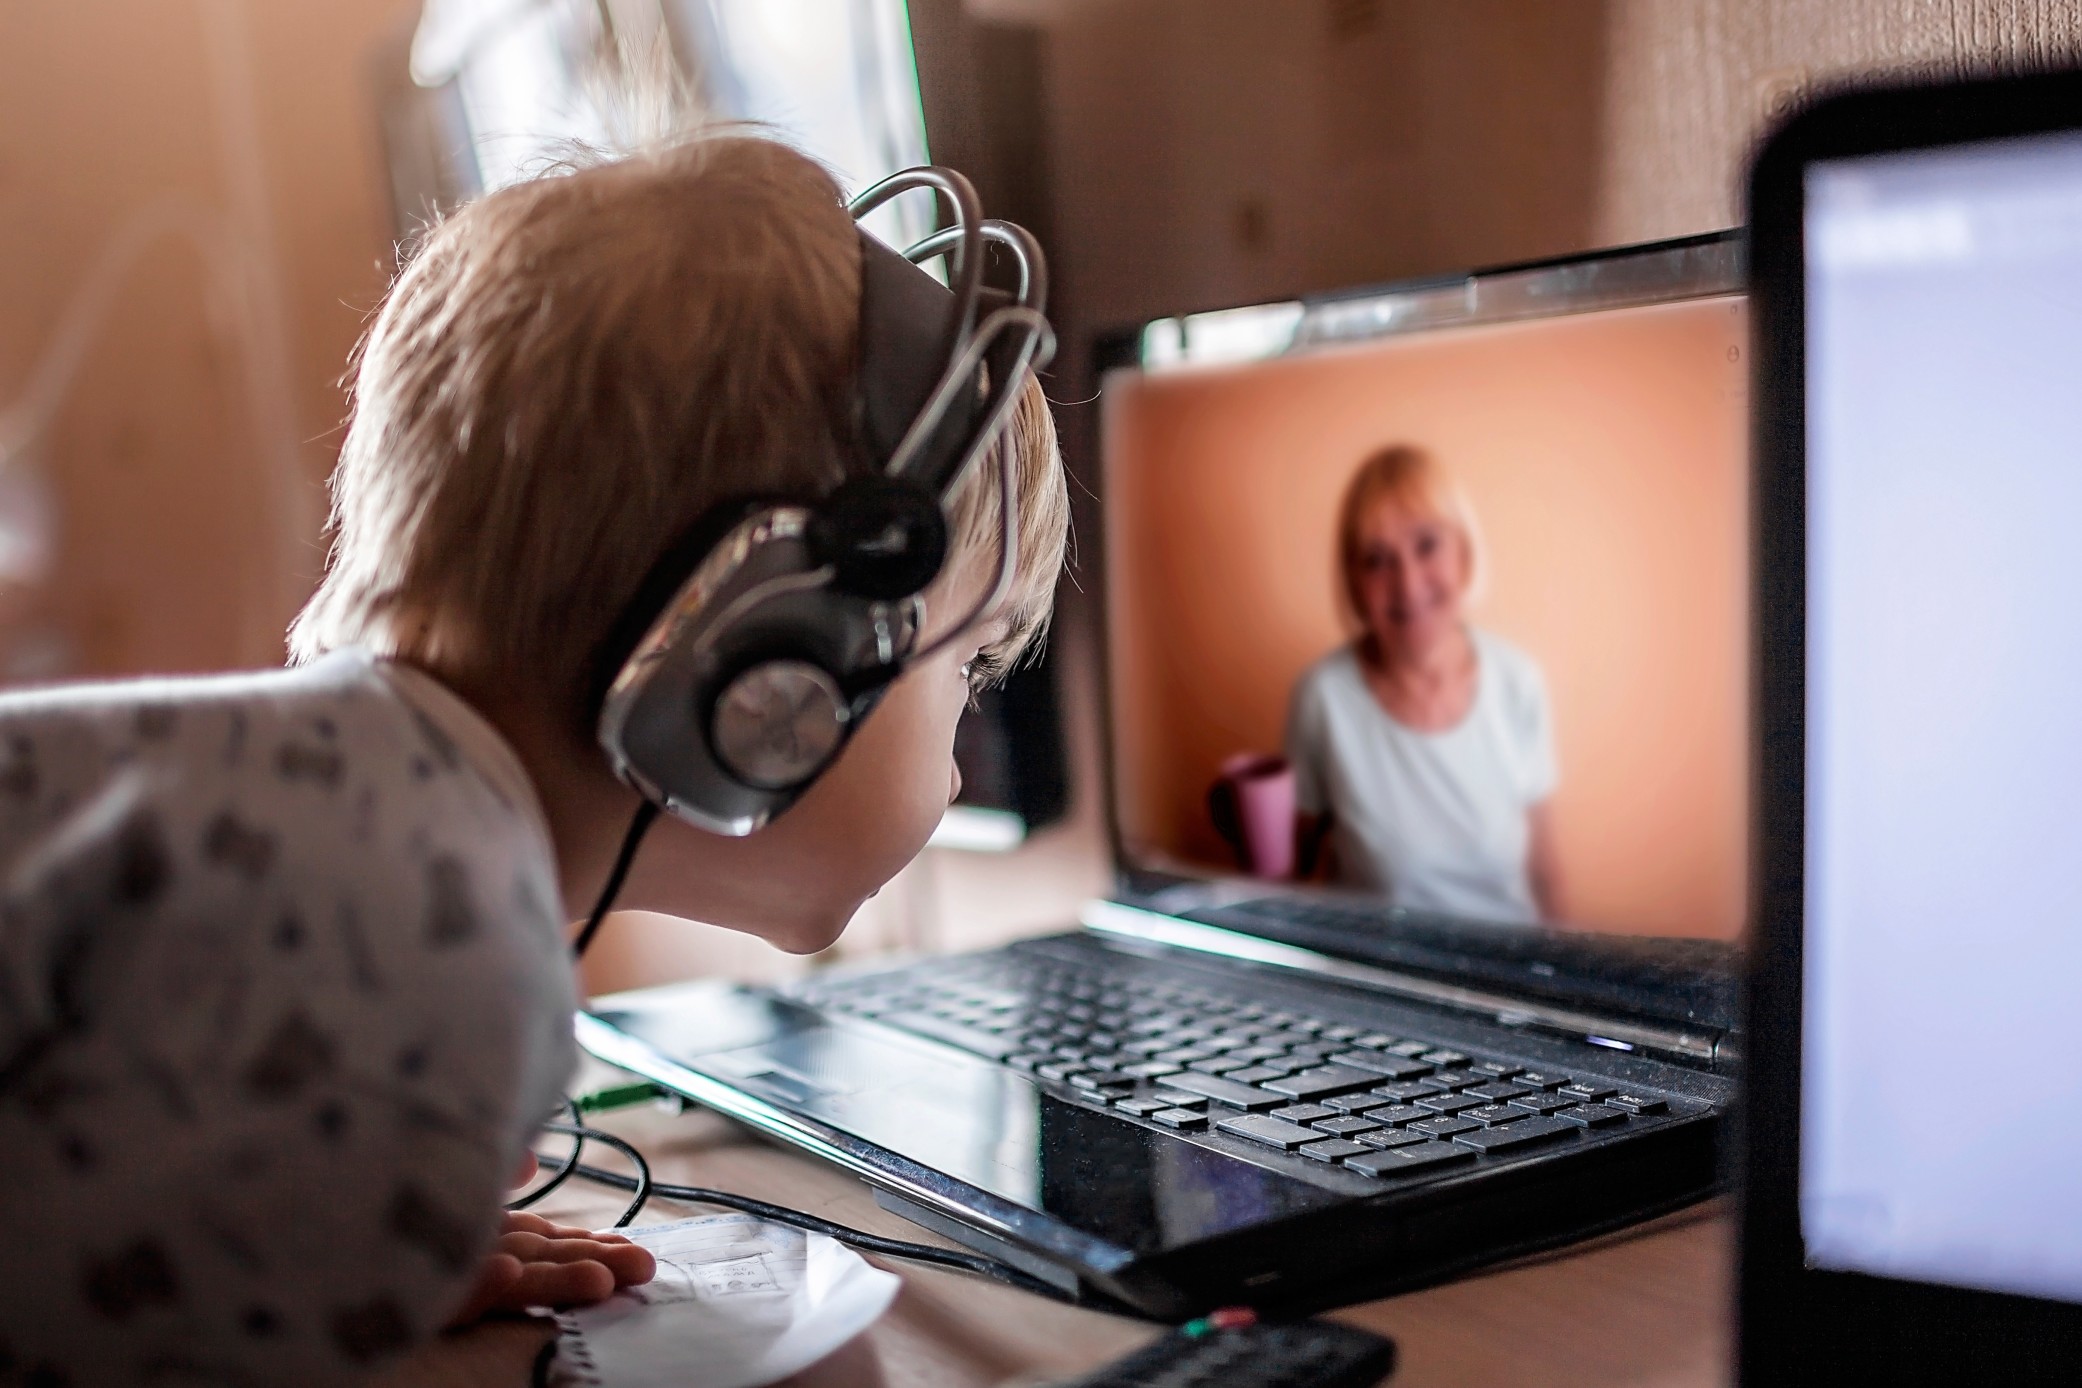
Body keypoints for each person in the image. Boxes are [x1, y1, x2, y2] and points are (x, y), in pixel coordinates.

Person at [0, 134, 1067, 1383]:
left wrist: (314, 1247)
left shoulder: (327, 812)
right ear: (767, 655)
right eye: (971, 665)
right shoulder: (447, 954)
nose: (958, 756)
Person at [1285, 444, 1562, 923]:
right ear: (1352, 580)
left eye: (1427, 545)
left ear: (1464, 551)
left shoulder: (1518, 683)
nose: (1407, 585)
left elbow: (1547, 877)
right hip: (1381, 981)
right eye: (1376, 559)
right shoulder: (1321, 698)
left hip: (1508, 974)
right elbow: (1286, 876)